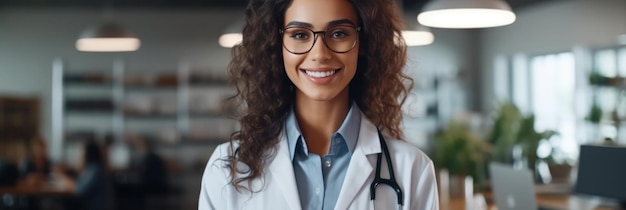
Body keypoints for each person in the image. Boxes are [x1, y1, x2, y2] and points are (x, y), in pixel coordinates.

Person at [199, 0, 439, 209]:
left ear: (363, 42)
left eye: (338, 33)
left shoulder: (412, 170)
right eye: (300, 35)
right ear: (276, 43)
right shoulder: (227, 169)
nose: (320, 54)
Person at [56, 140, 115, 210]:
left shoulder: (95, 170)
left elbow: (78, 189)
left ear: (87, 154)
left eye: (81, 153)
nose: (79, 156)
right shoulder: (94, 169)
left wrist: (61, 176)